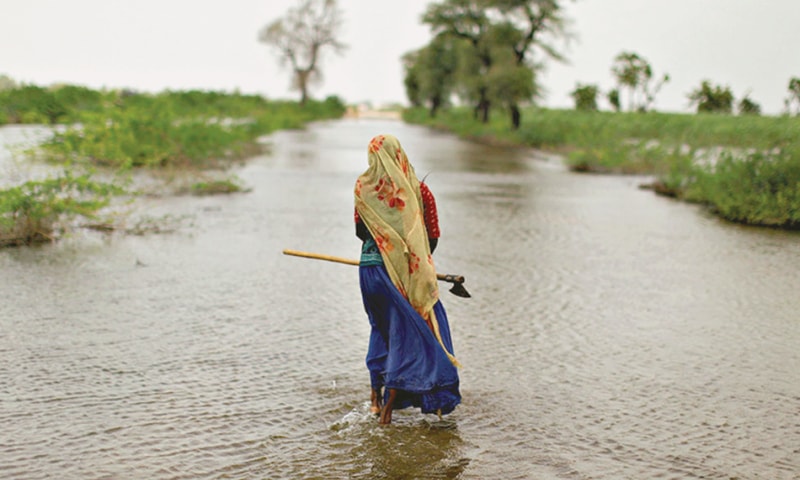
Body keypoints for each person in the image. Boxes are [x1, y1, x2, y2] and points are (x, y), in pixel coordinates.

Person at [354, 134, 461, 425]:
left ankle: (375, 400)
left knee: (382, 329)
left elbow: (361, 233)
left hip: (369, 271)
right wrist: (414, 262)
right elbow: (433, 237)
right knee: (416, 332)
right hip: (403, 275)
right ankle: (390, 412)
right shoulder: (420, 191)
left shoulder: (363, 189)